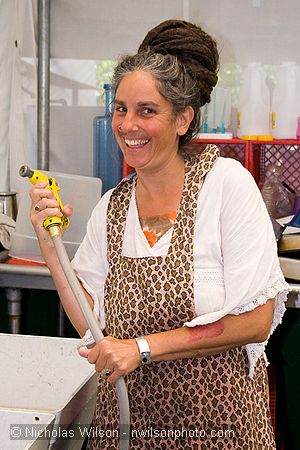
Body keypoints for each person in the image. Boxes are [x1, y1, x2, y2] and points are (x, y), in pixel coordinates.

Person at [29, 19, 289, 450]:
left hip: (217, 430)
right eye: (121, 108)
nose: (128, 124)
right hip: (127, 430)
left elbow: (256, 320)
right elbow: (94, 326)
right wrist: (49, 246)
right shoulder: (111, 207)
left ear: (183, 119)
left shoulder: (225, 185)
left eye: (147, 111)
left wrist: (141, 348)